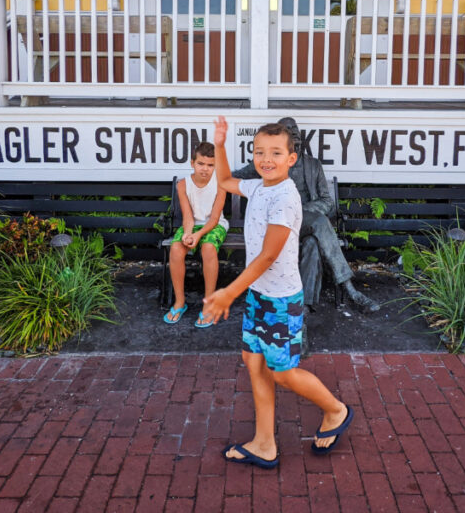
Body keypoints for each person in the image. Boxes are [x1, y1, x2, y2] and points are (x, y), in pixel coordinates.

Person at [201, 117, 354, 468]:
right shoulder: (259, 187)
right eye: (259, 152)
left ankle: (336, 410)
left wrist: (228, 293)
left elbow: (269, 255)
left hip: (281, 301)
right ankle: (264, 443)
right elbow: (224, 180)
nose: (265, 159)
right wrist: (220, 145)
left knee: (283, 373)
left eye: (275, 153)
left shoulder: (285, 198)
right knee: (254, 364)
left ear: (291, 158)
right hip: (258, 295)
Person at [234, 117, 380, 314]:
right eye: (290, 132)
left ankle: (304, 306)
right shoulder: (269, 161)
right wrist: (208, 174)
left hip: (304, 221)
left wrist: (301, 210)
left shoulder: (313, 165)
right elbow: (235, 177)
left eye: (297, 131)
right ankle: (350, 289)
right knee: (319, 223)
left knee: (312, 242)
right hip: (278, 225)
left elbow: (328, 202)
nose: (295, 135)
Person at [163, 141, 228, 328]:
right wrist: (188, 234)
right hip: (193, 225)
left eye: (210, 165)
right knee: (176, 249)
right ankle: (179, 302)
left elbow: (215, 218)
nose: (205, 169)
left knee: (208, 248)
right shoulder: (183, 185)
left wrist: (198, 237)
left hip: (214, 226)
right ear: (192, 163)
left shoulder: (221, 183)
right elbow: (188, 217)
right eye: (201, 164)